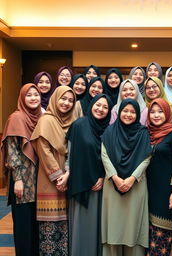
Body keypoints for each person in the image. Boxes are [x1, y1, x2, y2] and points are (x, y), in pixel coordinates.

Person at [101, 99, 152, 256]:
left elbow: (147, 157)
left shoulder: (143, 132)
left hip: (136, 185)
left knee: (133, 226)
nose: (128, 114)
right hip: (112, 185)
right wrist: (115, 177)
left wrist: (132, 178)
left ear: (137, 114)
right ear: (119, 111)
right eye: (125, 110)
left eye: (132, 112)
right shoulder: (109, 131)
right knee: (113, 227)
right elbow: (104, 155)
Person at [31, 86, 76, 255]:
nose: (66, 103)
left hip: (69, 176)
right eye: (63, 99)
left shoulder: (72, 121)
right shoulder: (46, 120)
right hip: (50, 179)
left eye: (71, 100)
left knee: (66, 224)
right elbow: (43, 150)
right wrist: (59, 177)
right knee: (50, 226)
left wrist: (68, 174)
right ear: (55, 99)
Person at [67, 94, 113, 256]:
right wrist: (68, 174)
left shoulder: (110, 128)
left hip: (100, 184)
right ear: (92, 104)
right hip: (80, 183)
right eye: (98, 105)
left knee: (97, 225)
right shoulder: (79, 125)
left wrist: (102, 177)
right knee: (81, 225)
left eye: (105, 107)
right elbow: (70, 155)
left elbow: (111, 157)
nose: (100, 109)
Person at [1, 83, 42, 256]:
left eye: (36, 95)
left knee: (36, 227)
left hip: (39, 182)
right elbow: (12, 151)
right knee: (23, 228)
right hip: (22, 183)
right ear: (22, 98)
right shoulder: (16, 118)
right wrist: (17, 179)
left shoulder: (42, 117)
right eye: (29, 95)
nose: (33, 98)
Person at [146, 98, 172, 256]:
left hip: (166, 192)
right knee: (149, 235)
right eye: (153, 112)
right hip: (148, 190)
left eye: (160, 111)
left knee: (162, 237)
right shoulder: (147, 133)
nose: (156, 115)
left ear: (167, 113)